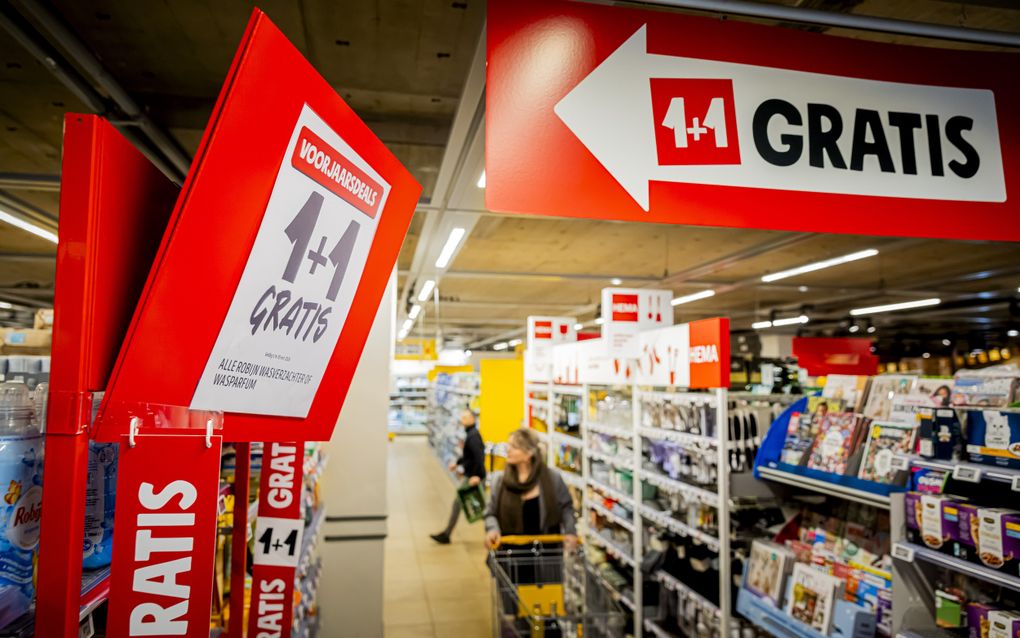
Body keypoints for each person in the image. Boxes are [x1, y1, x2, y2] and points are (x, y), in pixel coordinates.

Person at [484, 428, 577, 550]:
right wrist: (492, 530)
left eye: (514, 446)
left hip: (546, 553)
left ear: (528, 454)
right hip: (510, 554)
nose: (508, 449)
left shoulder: (552, 479)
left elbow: (566, 507)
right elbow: (490, 513)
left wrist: (570, 531)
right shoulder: (500, 481)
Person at [430, 408, 485, 544]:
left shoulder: (473, 436)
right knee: (474, 506)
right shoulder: (471, 434)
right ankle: (447, 533)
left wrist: (477, 475)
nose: (462, 420)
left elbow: (479, 458)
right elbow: (469, 456)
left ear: (473, 419)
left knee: (471, 506)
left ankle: (447, 534)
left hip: (474, 477)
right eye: (462, 417)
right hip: (472, 475)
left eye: (465, 417)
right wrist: (457, 463)